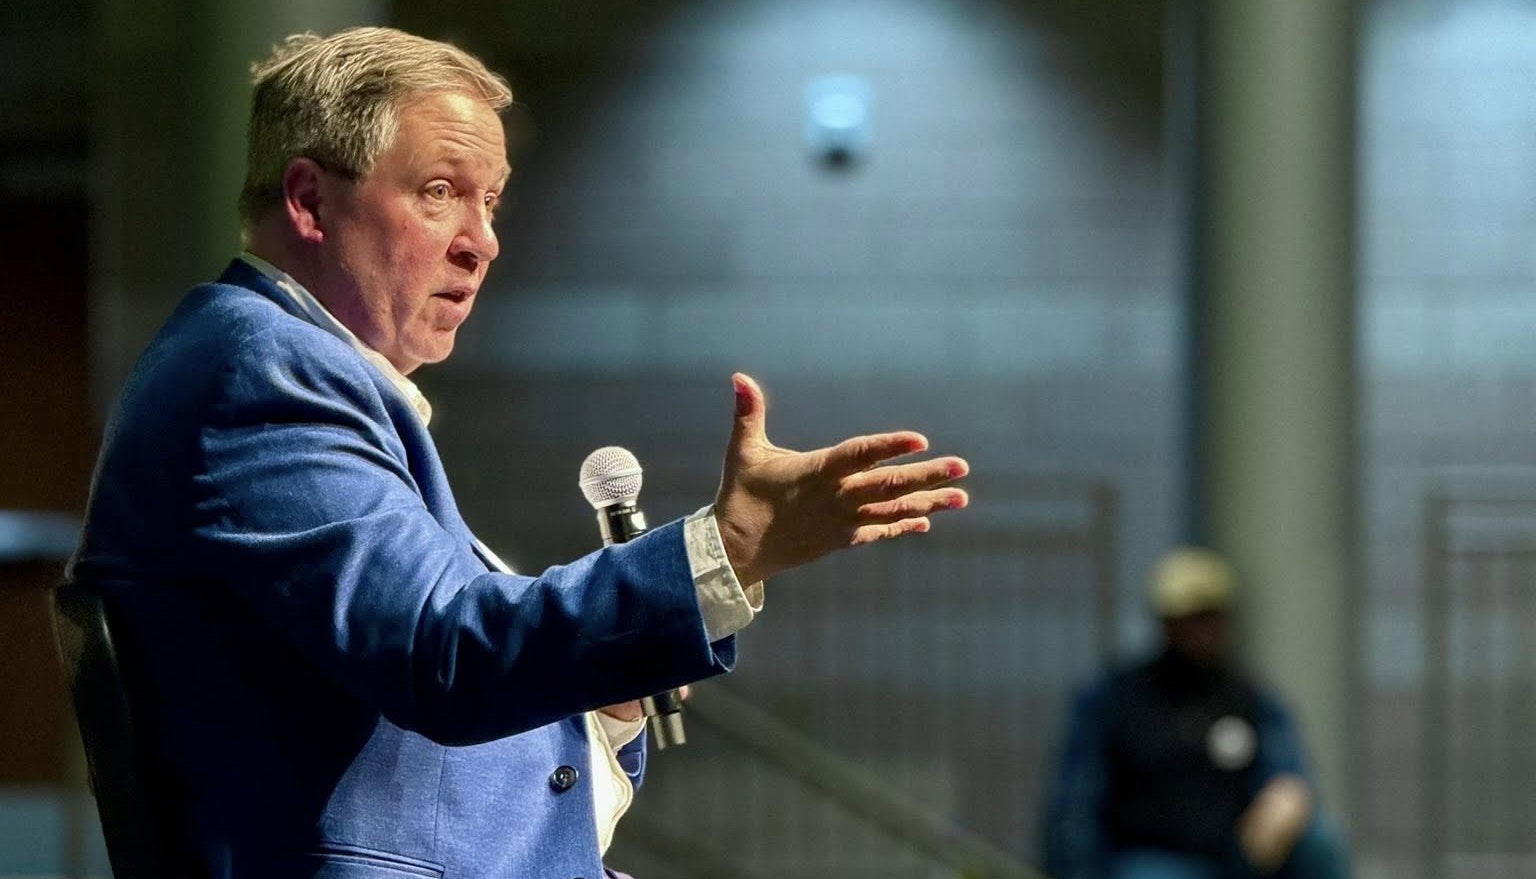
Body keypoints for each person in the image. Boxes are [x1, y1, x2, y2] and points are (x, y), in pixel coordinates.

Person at [67, 26, 969, 879]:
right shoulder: (262, 369)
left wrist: (609, 704)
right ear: (309, 200)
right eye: (439, 192)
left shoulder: (282, 369)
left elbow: (416, 710)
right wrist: (725, 549)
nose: (482, 241)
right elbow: (445, 655)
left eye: (491, 200)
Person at [1039, 548, 1349, 879]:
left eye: (1214, 615)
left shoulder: (1252, 699)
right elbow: (1076, 805)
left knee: (1318, 840)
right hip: (1153, 858)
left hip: (1234, 857)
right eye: (1193, 617)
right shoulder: (1113, 698)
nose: (1206, 629)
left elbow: (1286, 771)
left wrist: (1285, 795)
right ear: (1167, 622)